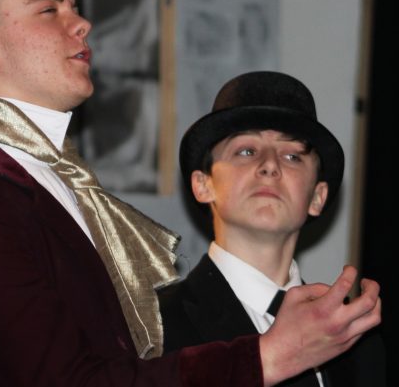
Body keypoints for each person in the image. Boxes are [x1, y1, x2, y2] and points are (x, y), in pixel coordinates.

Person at [0, 0, 382, 386]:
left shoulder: (55, 190)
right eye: (49, 8)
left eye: (74, 4)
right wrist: (270, 356)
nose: (81, 23)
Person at [158, 71, 386, 386]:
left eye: (292, 156)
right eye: (246, 151)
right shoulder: (151, 325)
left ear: (317, 197)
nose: (270, 165)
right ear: (203, 184)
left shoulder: (355, 338)